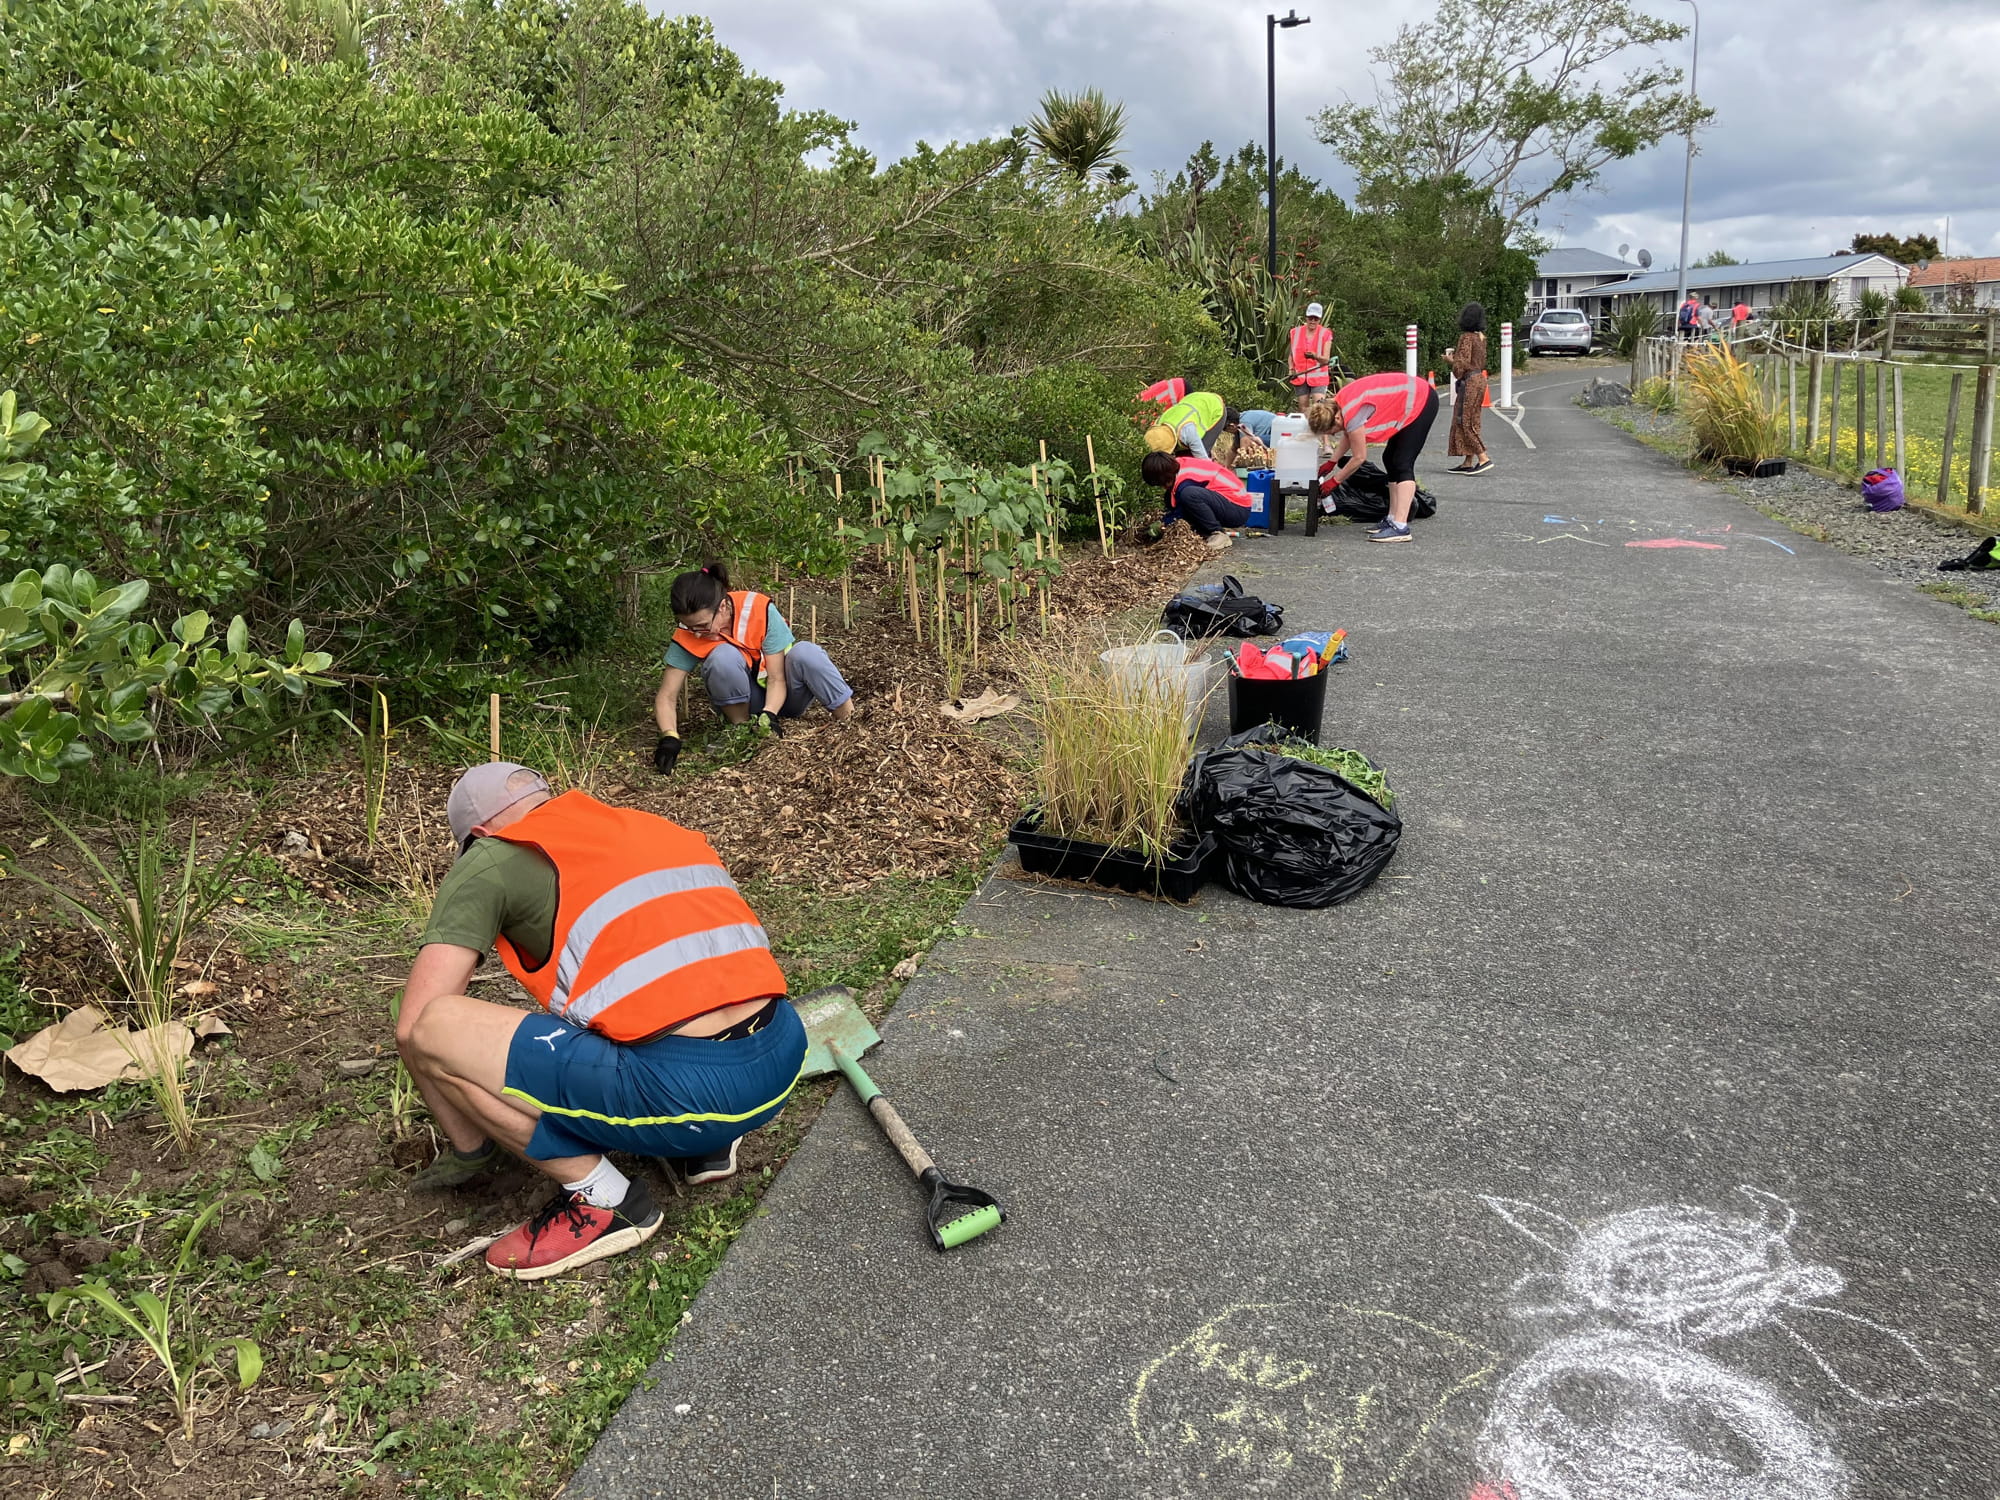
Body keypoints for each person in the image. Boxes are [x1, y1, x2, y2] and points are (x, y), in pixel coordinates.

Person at [397, 762, 807, 1279]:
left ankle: (605, 1201)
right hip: (781, 1056)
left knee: (438, 1028)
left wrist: (472, 1151)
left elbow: (414, 1025)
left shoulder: (491, 859)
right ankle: (704, 1151)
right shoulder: (644, 825)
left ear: (478, 835)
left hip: (692, 1095)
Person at [652, 565, 853, 775]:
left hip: (785, 695)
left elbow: (776, 678)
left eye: (702, 625)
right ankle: (741, 731)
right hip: (746, 704)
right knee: (722, 657)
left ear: (722, 607)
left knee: (806, 653)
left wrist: (770, 715)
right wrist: (669, 736)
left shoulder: (757, 608)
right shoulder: (689, 632)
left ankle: (850, 721)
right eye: (689, 626)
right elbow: (666, 695)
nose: (697, 634)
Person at [1308, 370, 1440, 545]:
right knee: (1389, 458)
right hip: (1411, 399)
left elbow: (1359, 457)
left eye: (1331, 432)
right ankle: (1392, 518)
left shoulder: (1351, 413)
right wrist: (1332, 462)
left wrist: (1335, 481)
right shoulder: (1338, 406)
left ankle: (1400, 526)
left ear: (1336, 419)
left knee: (1402, 462)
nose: (1333, 435)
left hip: (1421, 400)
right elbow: (1349, 434)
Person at [1141, 452, 1251, 550]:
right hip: (1227, 503)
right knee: (1171, 498)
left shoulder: (1186, 481)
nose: (1162, 487)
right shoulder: (1177, 467)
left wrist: (1164, 524)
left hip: (1237, 508)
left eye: (1161, 484)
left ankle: (1218, 533)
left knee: (1189, 495)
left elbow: (1181, 511)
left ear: (1165, 478)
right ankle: (1204, 529)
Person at [1446, 303, 1492, 475]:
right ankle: (1468, 461)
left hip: (1470, 381)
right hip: (1480, 378)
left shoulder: (1466, 337)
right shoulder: (1481, 337)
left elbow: (1462, 363)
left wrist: (1451, 362)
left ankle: (1483, 457)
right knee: (1473, 419)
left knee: (1463, 419)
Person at [1144, 389, 1237, 459]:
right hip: (1193, 399)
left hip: (1215, 407)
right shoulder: (1157, 424)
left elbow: (1202, 460)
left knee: (1196, 457)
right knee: (1181, 456)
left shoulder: (1187, 432)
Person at [1287, 303, 1334, 406]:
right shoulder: (1295, 332)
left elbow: (1326, 360)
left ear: (1319, 319)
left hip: (1319, 378)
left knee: (1319, 406)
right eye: (1310, 318)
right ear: (1306, 317)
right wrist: (1291, 370)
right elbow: (1291, 355)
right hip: (1300, 377)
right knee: (1303, 406)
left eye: (1315, 319)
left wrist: (1315, 356)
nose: (1312, 321)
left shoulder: (1326, 334)